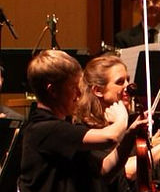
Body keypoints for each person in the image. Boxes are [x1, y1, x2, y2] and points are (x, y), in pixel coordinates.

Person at [19, 49, 142, 192]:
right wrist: (122, 117)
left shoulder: (62, 127)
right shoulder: (44, 129)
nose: (78, 94)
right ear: (52, 91)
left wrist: (130, 135)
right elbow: (111, 137)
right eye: (73, 87)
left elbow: (103, 171)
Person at [76, 54, 160, 190]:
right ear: (98, 90)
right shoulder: (85, 132)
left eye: (128, 80)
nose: (128, 87)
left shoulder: (131, 123)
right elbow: (128, 171)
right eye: (120, 82)